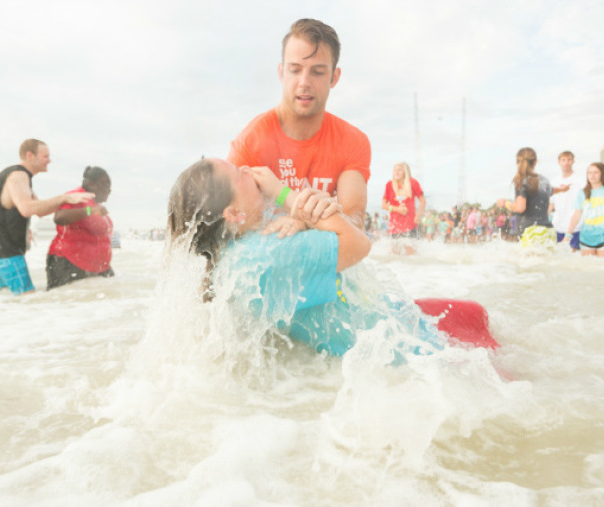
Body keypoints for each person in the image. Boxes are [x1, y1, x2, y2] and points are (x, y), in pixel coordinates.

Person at [167, 158, 445, 357]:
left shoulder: (231, 263)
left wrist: (301, 222)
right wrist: (285, 195)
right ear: (234, 214)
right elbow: (358, 244)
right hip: (405, 352)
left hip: (361, 350)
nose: (250, 171)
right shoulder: (271, 252)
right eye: (241, 175)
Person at [228, 18, 371, 236]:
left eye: (317, 72)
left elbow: (354, 224)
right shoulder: (250, 143)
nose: (304, 82)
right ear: (281, 72)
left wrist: (304, 223)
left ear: (334, 77)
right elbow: (229, 226)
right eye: (295, 70)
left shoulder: (352, 141)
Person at [0, 139, 93, 295]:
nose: (49, 160)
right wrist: (63, 198)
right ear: (30, 155)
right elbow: (26, 208)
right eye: (45, 156)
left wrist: (71, 201)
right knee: (26, 297)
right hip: (2, 244)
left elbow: (40, 211)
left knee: (8, 295)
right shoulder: (18, 175)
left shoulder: (20, 177)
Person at [46, 166, 115, 290]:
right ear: (91, 184)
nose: (108, 191)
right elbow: (59, 217)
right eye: (105, 186)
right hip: (68, 263)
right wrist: (90, 210)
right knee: (64, 304)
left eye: (109, 187)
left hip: (96, 267)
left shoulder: (94, 203)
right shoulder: (76, 197)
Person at [502, 147, 566, 248]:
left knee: (527, 263)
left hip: (531, 232)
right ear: (535, 162)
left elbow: (520, 207)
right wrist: (562, 189)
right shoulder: (544, 180)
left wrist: (504, 203)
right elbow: (551, 190)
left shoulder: (521, 180)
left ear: (517, 162)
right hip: (549, 231)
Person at [381, 162, 425, 254]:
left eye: (399, 170)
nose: (396, 172)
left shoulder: (413, 182)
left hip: (410, 225)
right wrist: (397, 209)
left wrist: (418, 216)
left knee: (412, 255)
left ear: (405, 172)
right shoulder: (389, 184)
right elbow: (383, 205)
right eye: (395, 170)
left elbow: (423, 201)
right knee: (394, 255)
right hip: (395, 226)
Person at [548, 151, 586, 251]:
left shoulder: (581, 180)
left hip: (576, 227)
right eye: (563, 160)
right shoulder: (554, 181)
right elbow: (551, 204)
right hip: (557, 226)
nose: (566, 163)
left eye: (569, 160)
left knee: (574, 258)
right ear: (559, 162)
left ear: (573, 161)